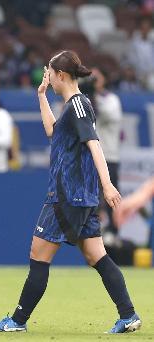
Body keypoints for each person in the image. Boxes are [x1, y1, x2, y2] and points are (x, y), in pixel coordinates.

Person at [0, 51, 141, 334]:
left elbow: (95, 145)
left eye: (51, 75)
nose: (50, 80)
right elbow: (52, 132)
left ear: (62, 75)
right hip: (80, 196)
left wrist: (107, 184)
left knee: (38, 254)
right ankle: (128, 315)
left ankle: (17, 321)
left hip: (67, 195)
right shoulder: (73, 107)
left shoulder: (78, 106)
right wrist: (41, 94)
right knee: (97, 256)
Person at [92, 67, 123, 244]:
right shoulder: (83, 101)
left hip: (109, 156)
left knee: (111, 195)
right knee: (91, 196)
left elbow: (110, 115)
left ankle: (114, 230)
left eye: (97, 77)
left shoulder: (110, 99)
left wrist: (94, 97)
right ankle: (94, 230)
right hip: (91, 157)